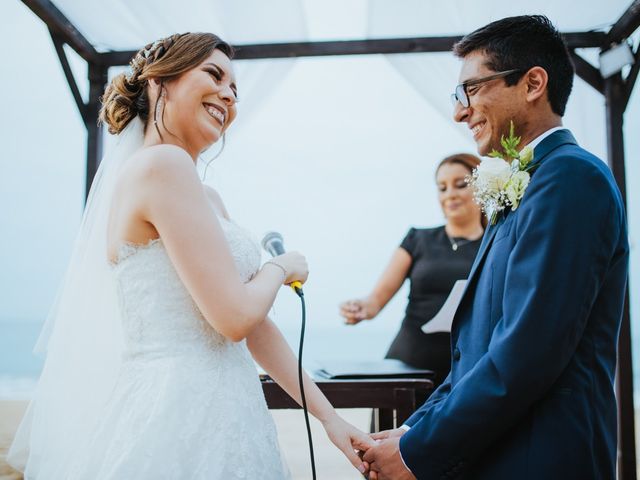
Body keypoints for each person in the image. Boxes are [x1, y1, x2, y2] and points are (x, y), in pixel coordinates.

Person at [8, 32, 373, 479]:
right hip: (177, 413)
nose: (228, 94)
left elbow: (253, 328)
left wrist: (329, 418)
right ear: (160, 83)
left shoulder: (207, 197)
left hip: (230, 410)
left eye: (235, 89)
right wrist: (281, 267)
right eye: (214, 74)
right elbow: (234, 318)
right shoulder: (163, 165)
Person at [362, 15, 629, 480]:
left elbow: (528, 351)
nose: (460, 112)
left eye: (471, 90)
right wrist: (411, 430)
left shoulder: (570, 178)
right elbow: (477, 352)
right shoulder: (525, 185)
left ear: (532, 83)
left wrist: (418, 452)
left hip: (542, 458)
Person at [340, 153, 485, 387]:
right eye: (442, 188)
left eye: (460, 185)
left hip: (467, 371)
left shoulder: (496, 244)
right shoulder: (417, 239)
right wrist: (359, 308)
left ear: (483, 187)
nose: (450, 195)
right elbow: (375, 301)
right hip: (410, 363)